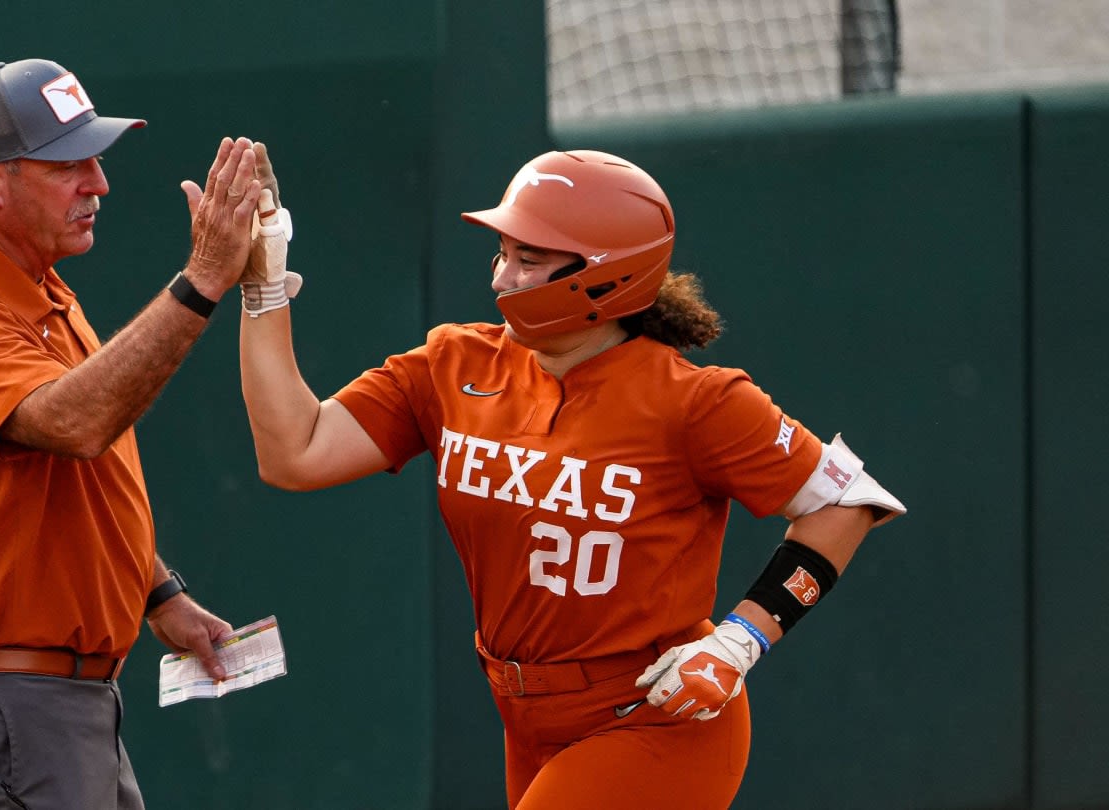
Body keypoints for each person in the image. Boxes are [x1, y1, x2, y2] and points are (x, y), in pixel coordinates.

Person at [234, 148, 906, 809]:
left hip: (656, 717)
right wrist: (264, 287)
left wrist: (741, 640)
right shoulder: (452, 364)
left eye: (530, 259)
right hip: (524, 718)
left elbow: (849, 502)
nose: (503, 277)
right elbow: (297, 452)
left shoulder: (695, 401)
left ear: (608, 276)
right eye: (504, 252)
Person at [0, 58, 268, 809]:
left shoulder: (38, 281)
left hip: (57, 705)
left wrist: (159, 595)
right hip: (4, 708)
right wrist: (204, 278)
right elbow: (77, 423)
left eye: (96, 157)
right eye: (68, 165)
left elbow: (74, 478)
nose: (99, 183)